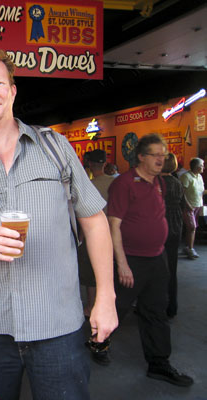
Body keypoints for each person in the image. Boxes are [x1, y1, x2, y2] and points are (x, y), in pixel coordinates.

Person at [0, 48, 117, 400]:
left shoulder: (55, 149)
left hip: (59, 328)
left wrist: (105, 297)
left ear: (13, 91)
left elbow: (95, 223)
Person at [105, 134, 193, 386]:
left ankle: (159, 364)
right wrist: (121, 263)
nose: (160, 159)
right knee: (116, 308)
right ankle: (97, 344)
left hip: (157, 258)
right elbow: (114, 224)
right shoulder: (124, 183)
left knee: (156, 311)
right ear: (141, 157)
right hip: (131, 259)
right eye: (155, 154)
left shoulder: (161, 183)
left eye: (163, 154)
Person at [78, 149, 116, 324]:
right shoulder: (115, 183)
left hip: (91, 237)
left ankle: (92, 306)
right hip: (114, 234)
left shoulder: (88, 186)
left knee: (90, 275)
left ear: (90, 164)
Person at [161, 153, 185, 318]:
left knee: (157, 268)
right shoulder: (177, 182)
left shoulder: (157, 183)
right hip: (176, 224)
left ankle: (156, 304)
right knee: (172, 266)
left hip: (160, 226)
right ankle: (172, 305)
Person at [180, 157, 206, 260]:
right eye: (202, 165)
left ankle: (188, 247)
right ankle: (190, 249)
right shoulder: (186, 176)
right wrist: (187, 205)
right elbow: (182, 193)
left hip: (197, 205)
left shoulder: (199, 176)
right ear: (197, 166)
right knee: (192, 227)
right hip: (189, 206)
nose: (204, 167)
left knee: (191, 228)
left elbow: (201, 191)